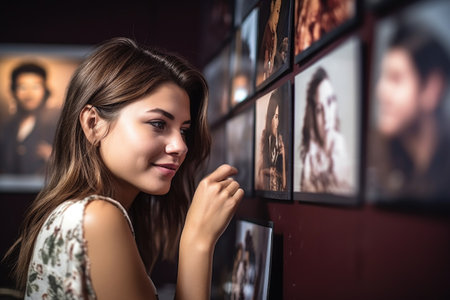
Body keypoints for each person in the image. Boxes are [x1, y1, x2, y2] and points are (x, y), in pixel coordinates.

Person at [4, 37, 244, 299]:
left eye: (184, 130)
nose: (180, 146)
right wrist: (198, 242)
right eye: (158, 124)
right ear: (93, 123)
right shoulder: (97, 218)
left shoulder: (80, 213)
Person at [370, 21, 450, 202]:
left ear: (432, 89)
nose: (381, 91)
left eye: (396, 78)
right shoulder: (372, 153)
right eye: (383, 77)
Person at [0, 62, 59, 174]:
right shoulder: (6, 127)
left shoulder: (56, 124)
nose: (29, 94)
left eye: (35, 87)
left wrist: (56, 158)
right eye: (22, 87)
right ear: (13, 91)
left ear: (45, 91)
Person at [299, 67, 351, 193]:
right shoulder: (310, 162)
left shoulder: (343, 152)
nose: (326, 115)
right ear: (313, 118)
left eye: (330, 102)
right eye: (319, 109)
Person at [256, 88, 286, 191]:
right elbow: (259, 175)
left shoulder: (281, 142)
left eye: (279, 117)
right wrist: (268, 171)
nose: (278, 123)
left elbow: (285, 185)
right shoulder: (266, 140)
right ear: (270, 118)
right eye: (276, 117)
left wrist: (284, 154)